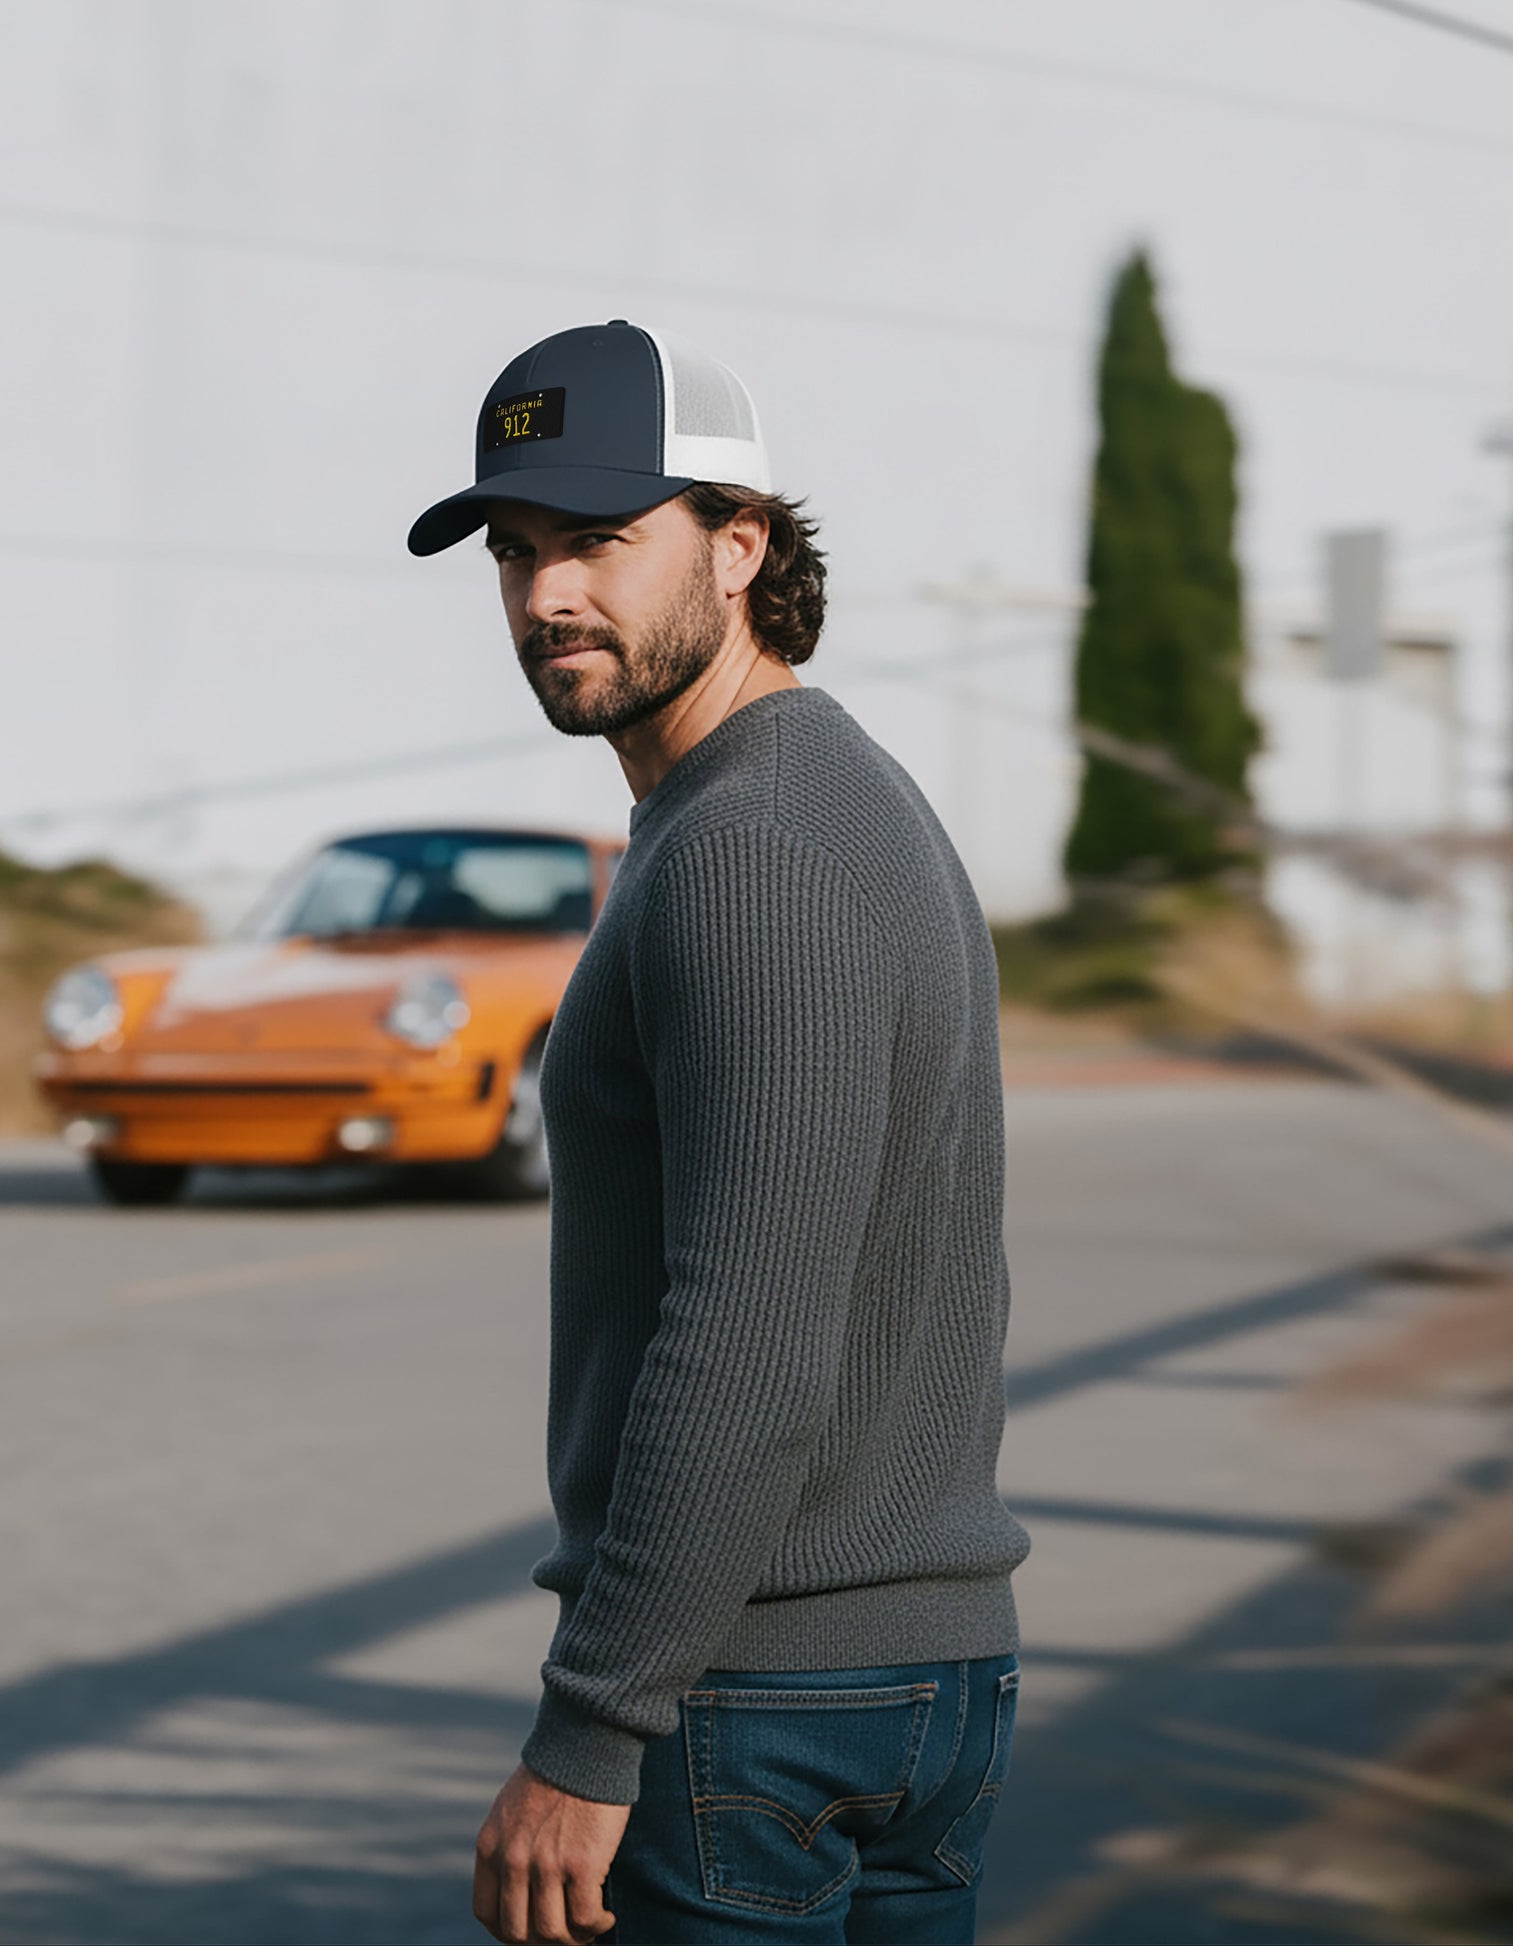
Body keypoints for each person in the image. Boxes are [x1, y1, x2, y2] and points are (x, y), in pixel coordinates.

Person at [409, 322, 1029, 1946]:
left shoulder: (751, 847)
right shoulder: (831, 799)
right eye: (517, 550)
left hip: (755, 1704)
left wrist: (591, 1726)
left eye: (603, 542)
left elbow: (747, 1336)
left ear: (738, 544)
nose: (547, 596)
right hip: (907, 1678)